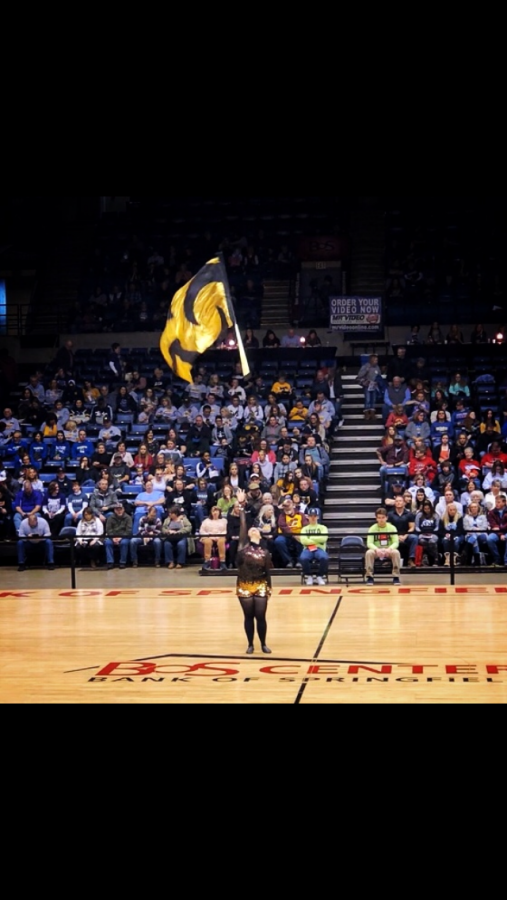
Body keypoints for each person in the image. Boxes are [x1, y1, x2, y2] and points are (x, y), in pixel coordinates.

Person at [234, 489, 273, 654]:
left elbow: (268, 571)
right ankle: (250, 644)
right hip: (244, 584)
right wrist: (242, 505)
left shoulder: (265, 552)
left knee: (261, 616)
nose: (254, 530)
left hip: (261, 584)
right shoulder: (243, 546)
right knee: (248, 616)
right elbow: (243, 525)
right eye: (252, 530)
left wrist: (270, 587)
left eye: (256, 529)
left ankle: (263, 643)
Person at [365, 507, 401, 585]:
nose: (381, 520)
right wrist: (376, 549)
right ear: (376, 518)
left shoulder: (392, 528)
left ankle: (396, 576)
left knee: (396, 552)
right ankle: (370, 576)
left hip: (388, 549)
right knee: (369, 553)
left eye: (383, 518)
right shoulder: (372, 528)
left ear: (386, 518)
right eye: (379, 518)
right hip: (377, 549)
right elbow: (369, 543)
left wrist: (390, 548)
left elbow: (396, 543)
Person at [299, 507, 329, 585]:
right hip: (308, 549)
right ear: (307, 517)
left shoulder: (323, 528)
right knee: (303, 558)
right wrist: (316, 540)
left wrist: (310, 538)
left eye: (314, 516)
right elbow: (303, 540)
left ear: (318, 517)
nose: (313, 518)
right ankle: (309, 576)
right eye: (311, 516)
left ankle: (320, 576)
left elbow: (323, 538)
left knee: (324, 558)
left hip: (320, 549)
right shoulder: (304, 529)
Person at [104, 502, 133, 569]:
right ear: (114, 510)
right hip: (113, 537)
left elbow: (128, 530)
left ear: (123, 509)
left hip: (124, 537)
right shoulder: (110, 518)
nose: (119, 511)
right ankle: (110, 562)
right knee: (108, 543)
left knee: (124, 543)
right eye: (117, 509)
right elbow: (108, 530)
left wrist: (120, 537)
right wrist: (113, 538)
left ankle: (122, 562)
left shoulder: (128, 518)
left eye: (120, 509)